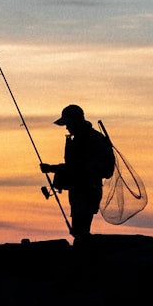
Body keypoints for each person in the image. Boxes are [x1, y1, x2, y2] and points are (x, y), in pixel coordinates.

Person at [40, 104, 111, 243]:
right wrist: (53, 168)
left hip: (88, 190)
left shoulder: (91, 139)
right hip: (80, 190)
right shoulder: (81, 139)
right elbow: (75, 167)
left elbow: (79, 168)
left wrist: (52, 168)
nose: (67, 127)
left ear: (76, 121)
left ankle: (86, 259)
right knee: (79, 230)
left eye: (68, 123)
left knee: (81, 230)